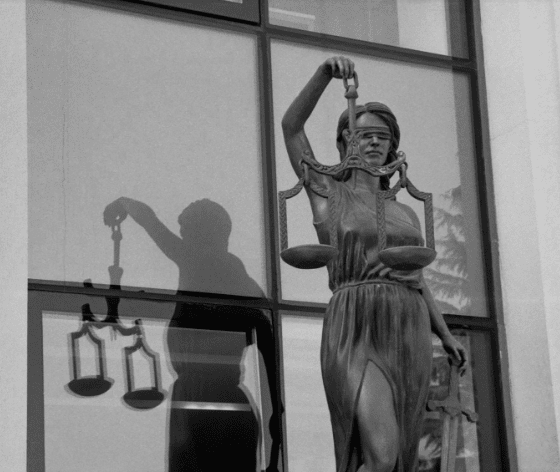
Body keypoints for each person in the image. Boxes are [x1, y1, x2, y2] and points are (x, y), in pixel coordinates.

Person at [281, 56, 467, 472]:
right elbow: (291, 127)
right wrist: (323, 76)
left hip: (407, 325)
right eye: (363, 135)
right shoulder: (327, 191)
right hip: (356, 322)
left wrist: (444, 334)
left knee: (399, 457)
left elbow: (416, 279)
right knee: (381, 455)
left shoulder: (404, 210)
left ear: (392, 146)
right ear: (345, 142)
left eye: (383, 137)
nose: (374, 143)